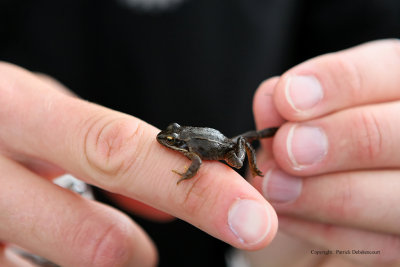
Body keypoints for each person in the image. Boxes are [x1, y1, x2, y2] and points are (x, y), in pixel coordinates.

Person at [0, 0, 399, 266]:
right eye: (170, 140)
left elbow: (378, 35)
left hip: (262, 224)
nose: (168, 143)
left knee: (245, 146)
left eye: (170, 141)